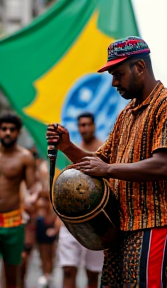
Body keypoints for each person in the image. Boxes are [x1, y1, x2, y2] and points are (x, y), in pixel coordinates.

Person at [46, 36, 167, 287]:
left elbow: (163, 165)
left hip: (156, 223)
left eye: (118, 73)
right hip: (120, 226)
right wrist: (67, 146)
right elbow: (99, 161)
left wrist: (108, 169)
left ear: (140, 67)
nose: (114, 82)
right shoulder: (126, 114)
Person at [0, 113, 36, 288]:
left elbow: (31, 189)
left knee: (12, 280)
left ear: (18, 132)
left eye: (12, 130)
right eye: (4, 129)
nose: (7, 133)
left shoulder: (25, 157)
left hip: (14, 223)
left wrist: (31, 202)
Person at [58, 112, 104, 288]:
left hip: (96, 220)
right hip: (71, 218)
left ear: (94, 125)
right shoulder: (70, 150)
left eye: (87, 125)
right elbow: (62, 182)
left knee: (93, 273)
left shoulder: (103, 148)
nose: (84, 128)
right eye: (81, 125)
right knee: (68, 269)